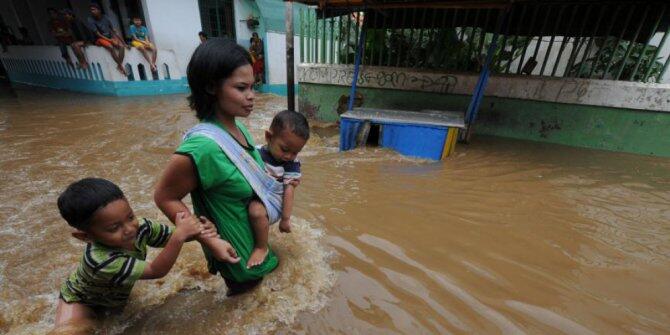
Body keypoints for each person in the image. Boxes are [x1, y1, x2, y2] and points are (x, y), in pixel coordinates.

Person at [154, 38, 279, 296]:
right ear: (212, 87)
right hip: (238, 262)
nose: (251, 96)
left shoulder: (238, 128)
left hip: (258, 250)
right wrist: (210, 240)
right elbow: (164, 197)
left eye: (253, 87)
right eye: (241, 88)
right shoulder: (203, 148)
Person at [53, 178, 239, 333]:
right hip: (81, 301)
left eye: (130, 217)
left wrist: (202, 231)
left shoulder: (141, 227)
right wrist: (181, 234)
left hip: (112, 295)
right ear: (85, 237)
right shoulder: (101, 261)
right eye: (114, 228)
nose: (128, 229)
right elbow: (156, 270)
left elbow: (173, 236)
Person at [246, 110, 308, 268]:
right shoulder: (256, 153)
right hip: (257, 194)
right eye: (285, 149)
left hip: (273, 203)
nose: (289, 156)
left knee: (255, 211)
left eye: (295, 152)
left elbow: (288, 191)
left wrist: (285, 219)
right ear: (268, 137)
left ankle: (262, 248)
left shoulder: (291, 165)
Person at [86, 3, 127, 75]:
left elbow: (114, 30)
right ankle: (121, 66)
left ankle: (119, 65)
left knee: (121, 47)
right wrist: (110, 40)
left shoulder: (105, 17)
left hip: (109, 38)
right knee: (110, 47)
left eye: (93, 10)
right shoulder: (90, 19)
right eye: (91, 10)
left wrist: (123, 42)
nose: (92, 11)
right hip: (98, 39)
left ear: (99, 10)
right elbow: (98, 34)